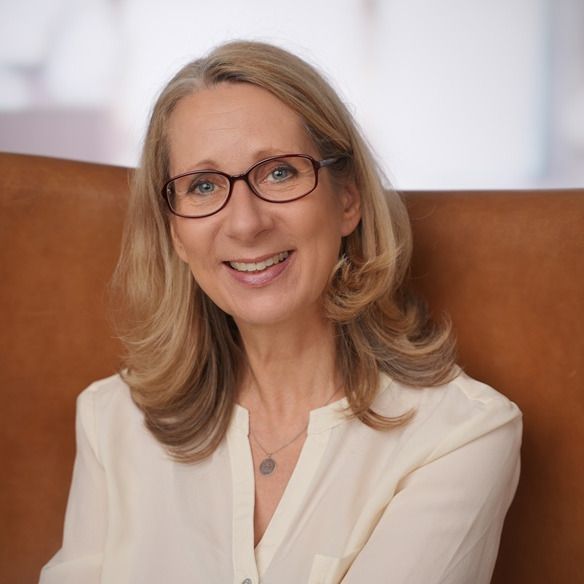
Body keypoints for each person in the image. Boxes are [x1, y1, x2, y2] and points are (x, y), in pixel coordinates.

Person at [40, 40, 522, 584]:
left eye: (278, 173)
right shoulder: (110, 420)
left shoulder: (461, 435)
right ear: (175, 232)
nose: (246, 224)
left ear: (347, 200)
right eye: (203, 186)